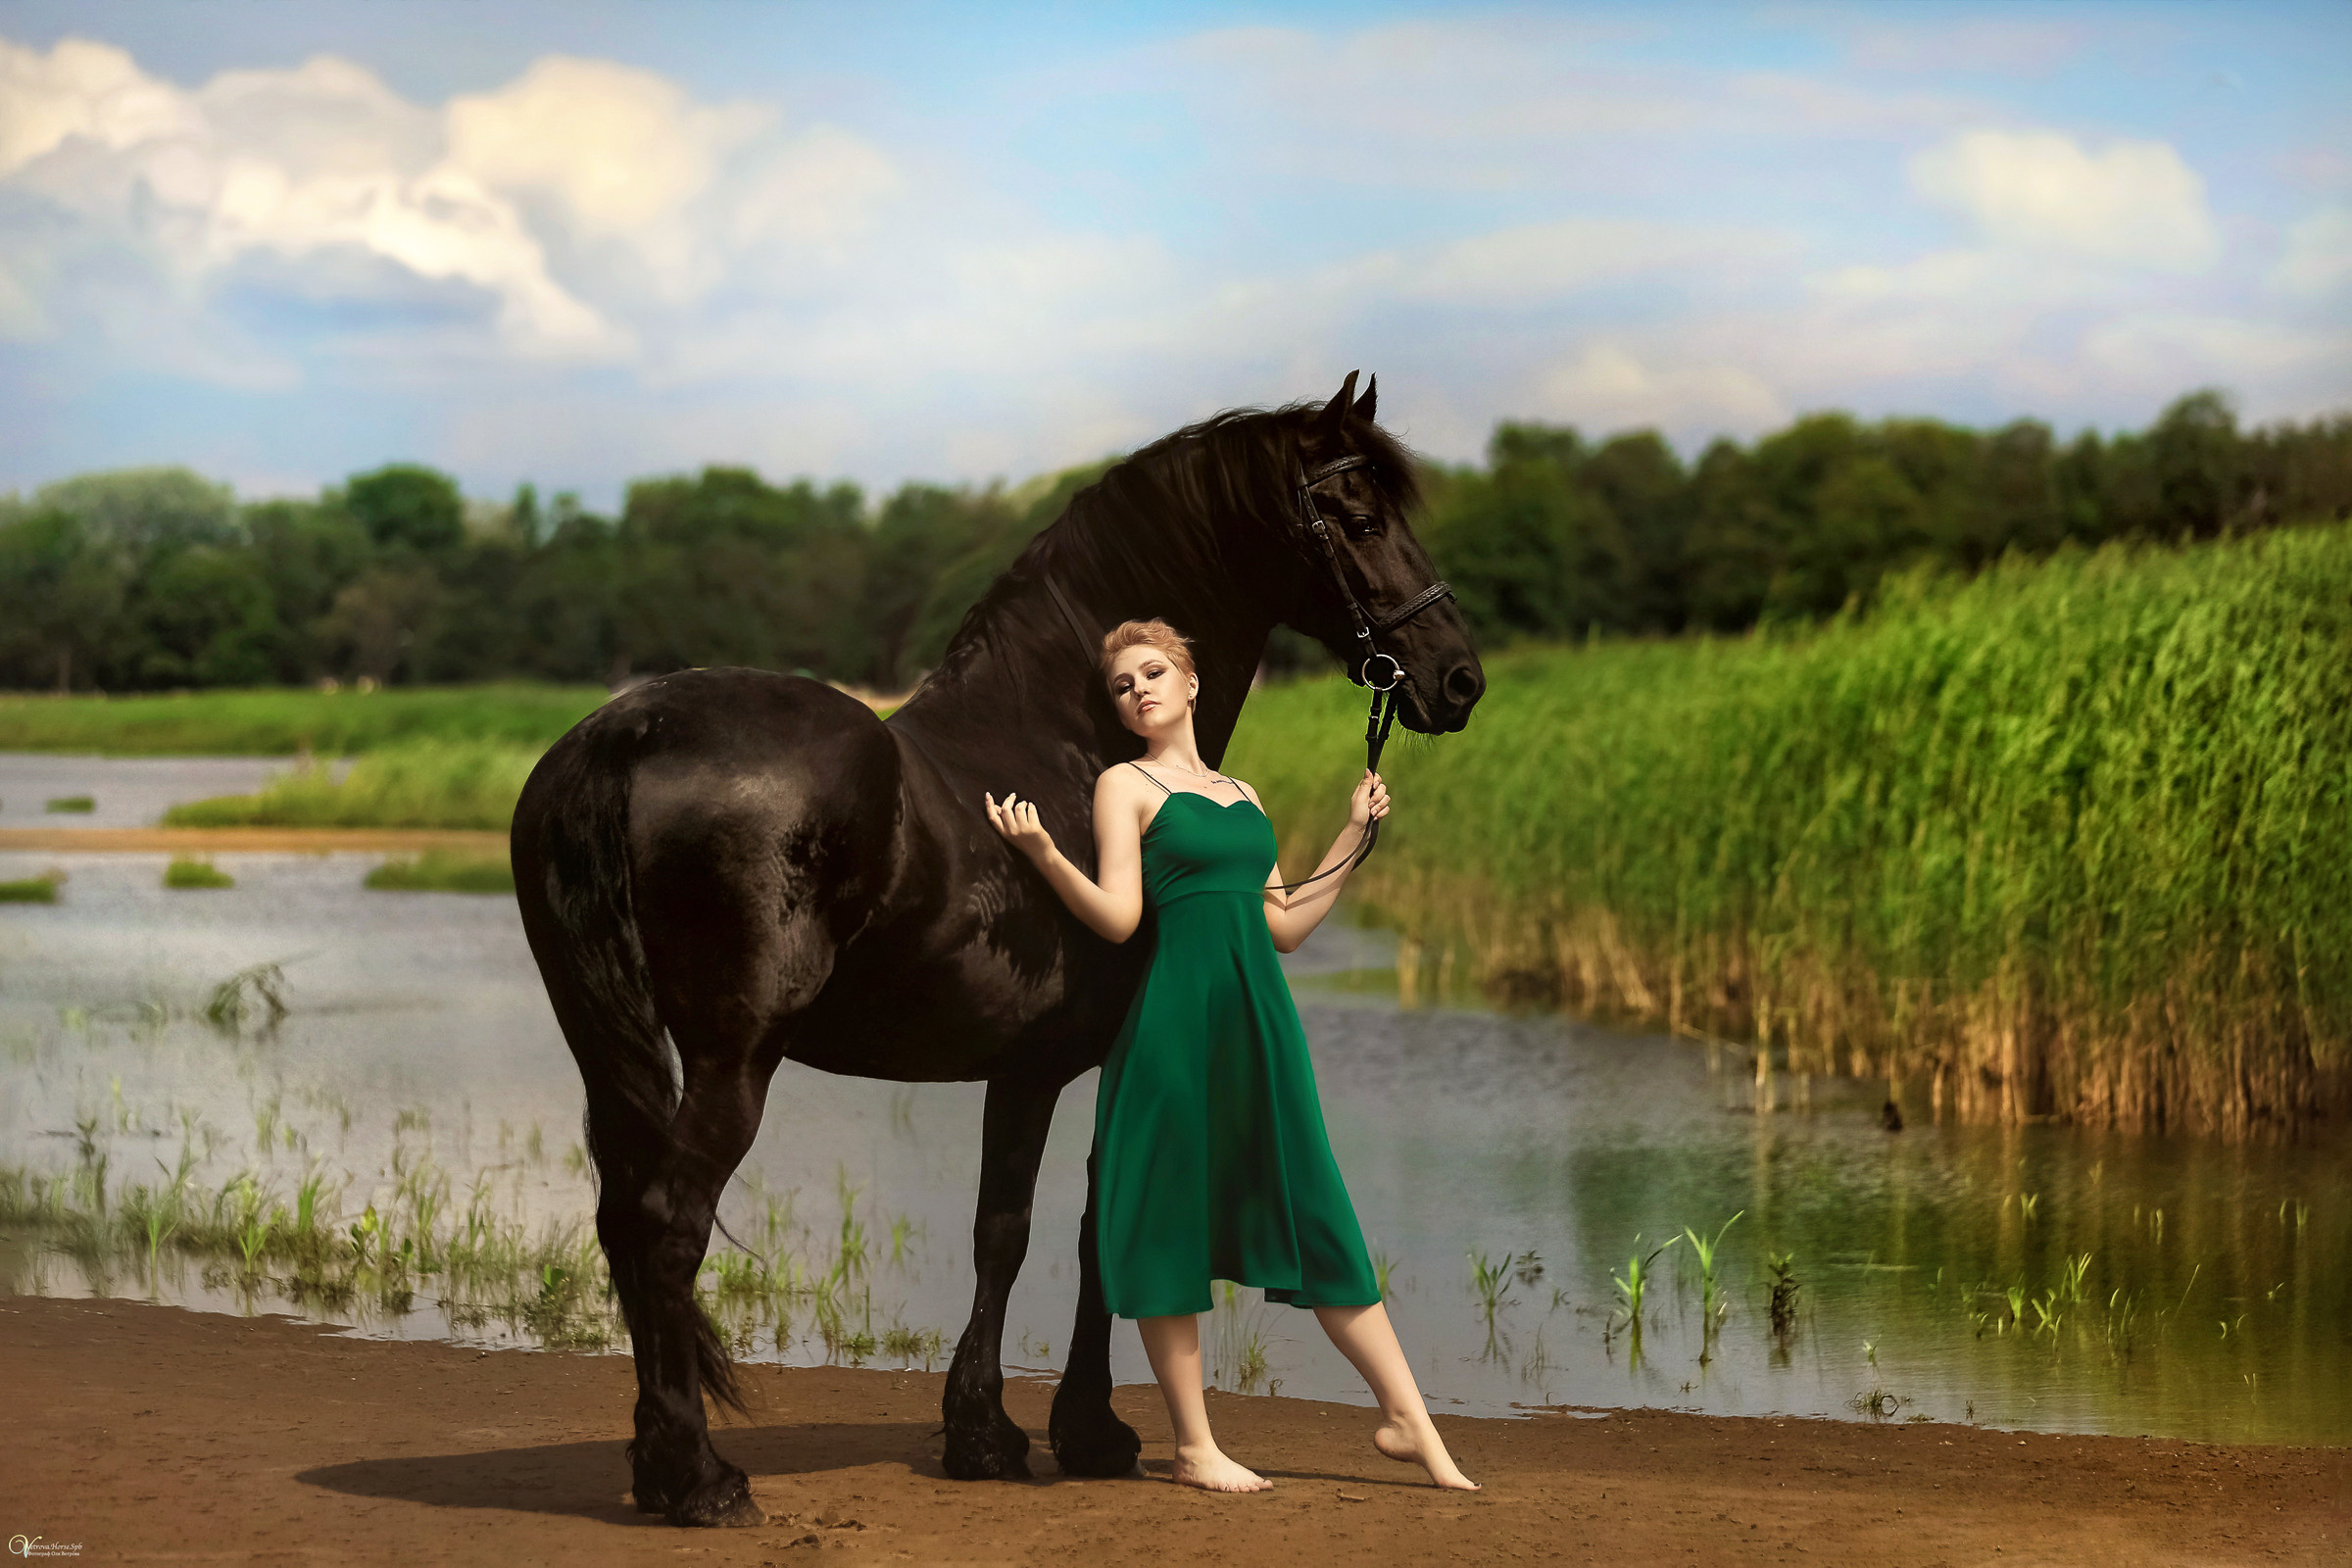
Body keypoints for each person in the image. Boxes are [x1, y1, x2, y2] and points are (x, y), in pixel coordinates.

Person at [985, 616, 1477, 1495]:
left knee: (1316, 1209)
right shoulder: (1122, 786)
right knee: (1171, 1223)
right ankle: (1196, 1445)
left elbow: (1282, 925)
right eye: (1123, 685)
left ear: (1190, 682)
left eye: (1152, 673)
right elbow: (1121, 918)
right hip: (1174, 1030)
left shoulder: (1244, 794)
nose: (1138, 690)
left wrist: (1351, 834)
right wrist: (1044, 855)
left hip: (1261, 1030)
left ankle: (1410, 1421)